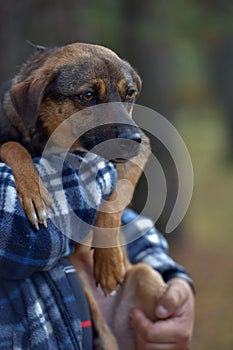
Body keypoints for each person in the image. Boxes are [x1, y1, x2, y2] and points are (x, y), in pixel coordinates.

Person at [0, 152, 195, 350]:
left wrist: (172, 278)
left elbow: (100, 207)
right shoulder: (92, 164)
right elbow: (37, 235)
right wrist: (108, 160)